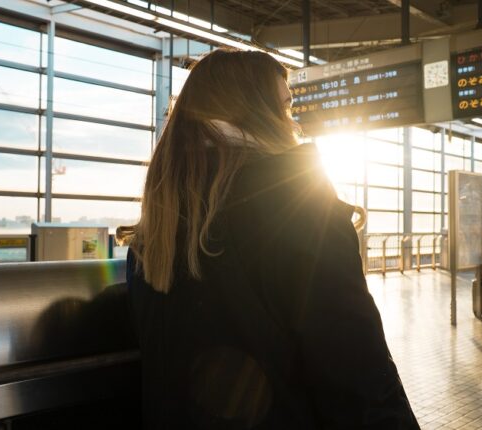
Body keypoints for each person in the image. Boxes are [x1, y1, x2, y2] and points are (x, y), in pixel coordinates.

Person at [123, 49, 418, 429]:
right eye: (285, 107)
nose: (293, 123)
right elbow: (357, 373)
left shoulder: (156, 231)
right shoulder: (298, 206)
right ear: (257, 112)